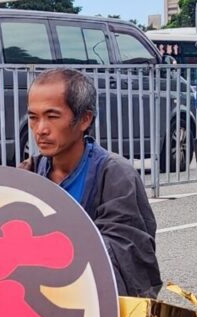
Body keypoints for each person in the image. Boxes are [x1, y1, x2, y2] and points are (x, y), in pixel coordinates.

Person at [26, 65, 161, 298]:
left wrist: (54, 252)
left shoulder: (116, 175)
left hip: (93, 302)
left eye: (52, 117)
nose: (41, 129)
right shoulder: (28, 174)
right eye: (33, 118)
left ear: (84, 119)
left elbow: (128, 254)